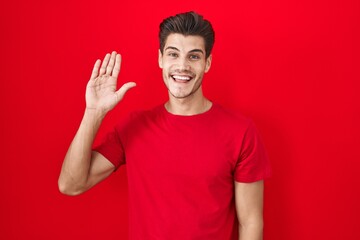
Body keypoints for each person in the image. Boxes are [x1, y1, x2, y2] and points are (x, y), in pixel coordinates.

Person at [58, 11, 271, 240]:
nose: (182, 66)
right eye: (173, 54)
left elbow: (250, 222)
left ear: (207, 63)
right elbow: (71, 185)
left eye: (194, 56)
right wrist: (94, 113)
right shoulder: (134, 127)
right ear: (160, 59)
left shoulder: (240, 132)